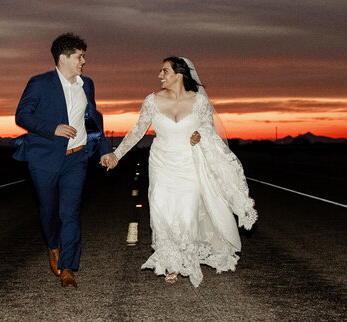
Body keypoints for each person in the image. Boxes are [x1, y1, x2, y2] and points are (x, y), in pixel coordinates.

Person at [103, 57, 256, 286]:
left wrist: (200, 136)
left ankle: (187, 257)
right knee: (161, 208)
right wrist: (117, 154)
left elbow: (208, 131)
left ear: (179, 75)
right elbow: (137, 131)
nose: (160, 75)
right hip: (161, 163)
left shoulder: (199, 102)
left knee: (186, 212)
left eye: (164, 71)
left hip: (188, 164)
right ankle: (169, 262)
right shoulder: (152, 100)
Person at [14, 33, 113, 288]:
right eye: (80, 56)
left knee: (70, 212)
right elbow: (22, 115)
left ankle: (68, 267)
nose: (84, 61)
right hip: (44, 158)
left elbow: (94, 118)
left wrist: (104, 149)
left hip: (76, 158)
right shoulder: (39, 83)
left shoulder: (87, 84)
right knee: (49, 210)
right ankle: (52, 244)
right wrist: (53, 128)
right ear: (63, 57)